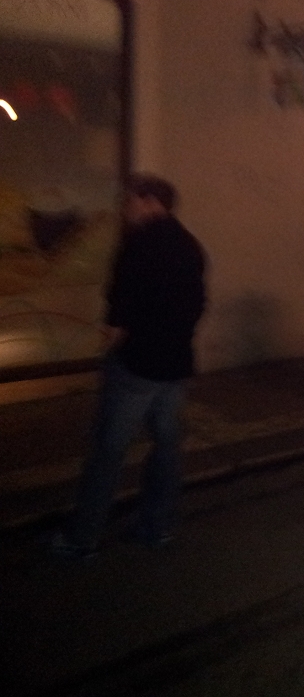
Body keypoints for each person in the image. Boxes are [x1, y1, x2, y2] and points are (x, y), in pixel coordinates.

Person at [52, 174, 206, 558]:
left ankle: (82, 538)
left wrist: (111, 341)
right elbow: (198, 304)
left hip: (136, 364)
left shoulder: (137, 244)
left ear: (150, 201)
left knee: (108, 450)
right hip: (175, 363)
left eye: (130, 201)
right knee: (167, 447)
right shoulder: (190, 245)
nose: (125, 208)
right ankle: (156, 527)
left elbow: (120, 308)